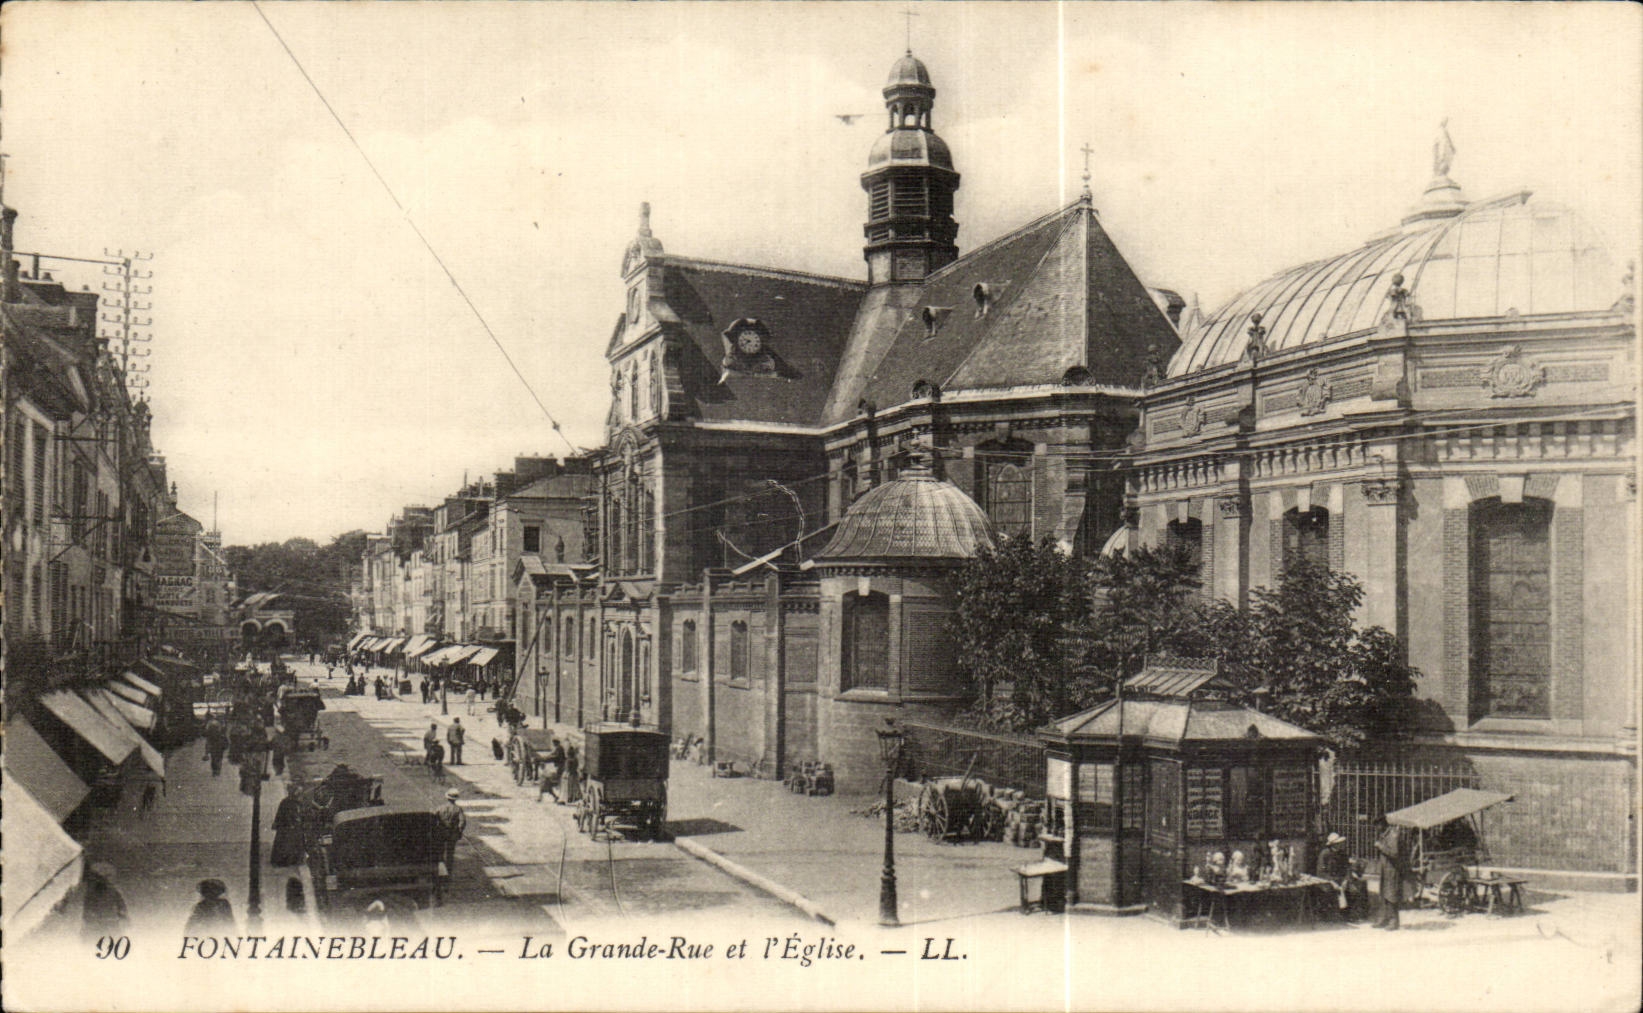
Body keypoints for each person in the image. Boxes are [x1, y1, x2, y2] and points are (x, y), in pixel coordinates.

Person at [1372, 822, 1409, 930]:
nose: (1376, 828)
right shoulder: (1384, 834)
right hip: (1385, 868)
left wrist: (1380, 846)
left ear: (1382, 824)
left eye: (1377, 825)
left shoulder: (1393, 834)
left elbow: (1394, 853)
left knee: (1391, 894)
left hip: (1392, 869)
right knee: (1384, 893)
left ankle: (1394, 921)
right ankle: (1384, 919)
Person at [81, 862, 129, 942]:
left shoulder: (111, 891)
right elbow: (121, 906)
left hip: (105, 922)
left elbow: (121, 905)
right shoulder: (111, 890)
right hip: (103, 923)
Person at [435, 788, 466, 891]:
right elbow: (462, 822)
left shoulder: (440, 808)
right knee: (450, 854)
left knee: (440, 854)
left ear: (447, 797)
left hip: (441, 834)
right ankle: (448, 874)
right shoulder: (458, 809)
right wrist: (459, 831)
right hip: (452, 835)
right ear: (455, 799)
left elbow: (434, 820)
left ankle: (440, 874)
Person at [270, 785, 306, 866]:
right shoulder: (287, 802)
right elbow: (284, 815)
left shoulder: (296, 802)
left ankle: (293, 860)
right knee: (286, 844)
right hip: (287, 826)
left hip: (293, 826)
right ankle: (285, 860)